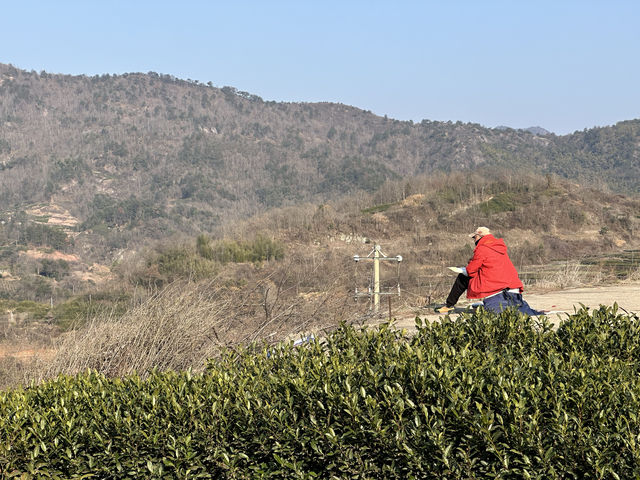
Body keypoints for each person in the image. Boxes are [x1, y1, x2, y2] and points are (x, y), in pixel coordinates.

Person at [435, 226, 542, 315]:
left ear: (480, 236)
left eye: (474, 237)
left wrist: (463, 269)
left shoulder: (482, 248)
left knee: (463, 277)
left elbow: (471, 270)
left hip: (497, 286)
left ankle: (449, 305)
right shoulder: (498, 247)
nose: (474, 240)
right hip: (513, 285)